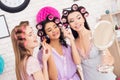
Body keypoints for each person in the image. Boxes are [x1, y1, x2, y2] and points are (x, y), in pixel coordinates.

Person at [61, 4, 116, 80]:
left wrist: (108, 62)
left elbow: (110, 58)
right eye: (72, 21)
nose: (76, 22)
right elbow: (77, 62)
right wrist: (71, 39)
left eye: (78, 18)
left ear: (84, 18)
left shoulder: (95, 34)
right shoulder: (74, 43)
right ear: (69, 25)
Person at [36, 6, 82, 80]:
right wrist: (49, 52)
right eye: (49, 30)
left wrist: (71, 39)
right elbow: (52, 77)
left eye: (55, 26)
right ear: (45, 34)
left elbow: (77, 66)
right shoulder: (42, 53)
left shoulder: (67, 47)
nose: (54, 30)